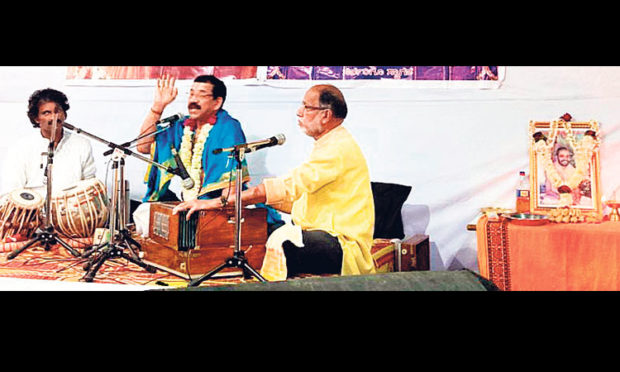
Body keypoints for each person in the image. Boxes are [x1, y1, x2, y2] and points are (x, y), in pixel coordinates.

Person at [172, 84, 376, 281]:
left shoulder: (337, 148)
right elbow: (300, 203)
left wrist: (215, 202)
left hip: (341, 243)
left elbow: (288, 186)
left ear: (326, 115)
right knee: (259, 228)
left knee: (279, 240)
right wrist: (252, 199)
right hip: (321, 233)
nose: (299, 112)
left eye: (307, 107)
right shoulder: (330, 142)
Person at [135, 74, 282, 230]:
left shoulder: (228, 128)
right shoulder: (180, 127)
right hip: (190, 204)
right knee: (144, 213)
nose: (193, 100)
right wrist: (157, 107)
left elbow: (230, 190)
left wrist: (211, 207)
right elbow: (142, 146)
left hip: (219, 207)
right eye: (191, 94)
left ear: (217, 102)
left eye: (202, 95)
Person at [0, 88, 96, 198]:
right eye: (46, 113)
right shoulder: (21, 148)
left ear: (64, 115)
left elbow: (89, 186)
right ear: (36, 118)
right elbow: (12, 190)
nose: (53, 117)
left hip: (71, 210)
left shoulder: (82, 145)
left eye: (57, 111)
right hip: (33, 210)